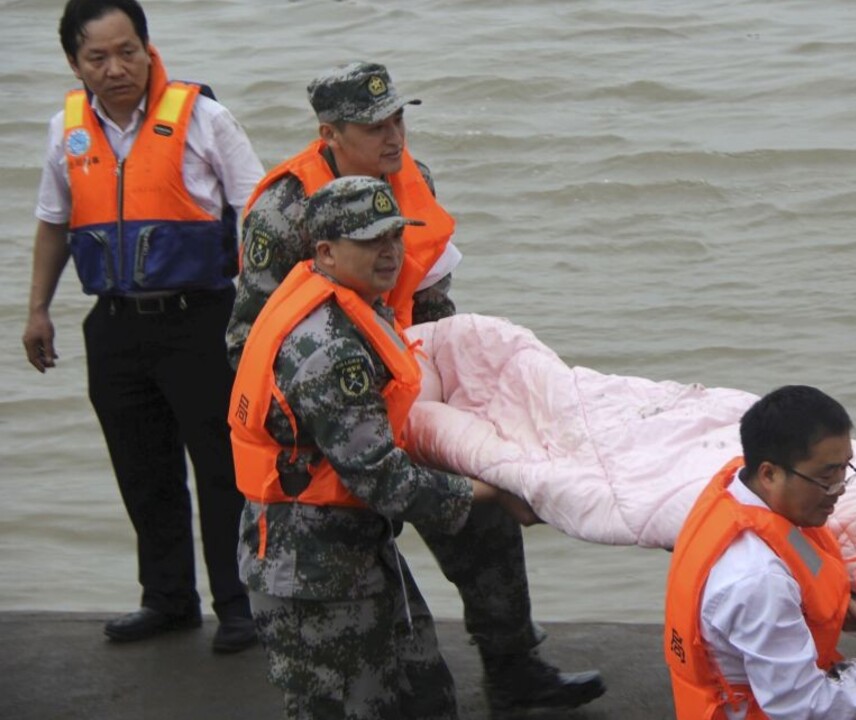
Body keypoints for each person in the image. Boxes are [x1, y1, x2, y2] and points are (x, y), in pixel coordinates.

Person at [225, 60, 603, 711]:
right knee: (355, 611)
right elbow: (250, 342)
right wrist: (336, 413)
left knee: (482, 520)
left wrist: (455, 400)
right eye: (374, 126)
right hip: (333, 416)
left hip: (406, 386)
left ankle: (513, 667)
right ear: (329, 131)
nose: (393, 136)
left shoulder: (410, 184)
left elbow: (430, 302)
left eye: (399, 118)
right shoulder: (282, 214)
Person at [20, 0, 261, 653]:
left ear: (148, 48)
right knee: (142, 469)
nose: (116, 68)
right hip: (116, 326)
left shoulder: (203, 118)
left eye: (128, 51)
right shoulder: (65, 131)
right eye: (97, 57)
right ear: (75, 63)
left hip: (202, 319)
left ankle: (241, 606)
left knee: (221, 470)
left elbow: (262, 209)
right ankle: (167, 600)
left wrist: (265, 314)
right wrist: (37, 308)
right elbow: (53, 223)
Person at [664, 385, 856, 719]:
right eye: (825, 476)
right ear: (769, 473)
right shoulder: (758, 580)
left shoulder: (735, 490)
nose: (839, 489)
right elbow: (806, 708)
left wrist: (837, 607)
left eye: (846, 468)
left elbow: (797, 555)